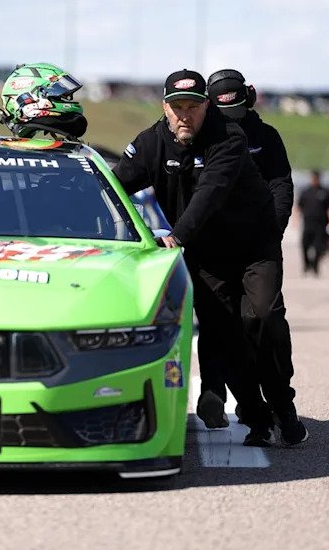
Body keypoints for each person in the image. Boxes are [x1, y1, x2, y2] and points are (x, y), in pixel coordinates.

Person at [113, 69, 307, 447]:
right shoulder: (151, 143)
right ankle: (256, 416)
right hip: (206, 256)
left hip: (254, 247)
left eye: (193, 107)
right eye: (177, 107)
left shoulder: (230, 139)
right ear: (165, 108)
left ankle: (284, 404)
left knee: (261, 319)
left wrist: (177, 236)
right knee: (226, 335)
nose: (185, 114)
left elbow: (210, 193)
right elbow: (117, 185)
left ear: (206, 107)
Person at [196, 69, 294, 429]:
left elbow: (282, 184)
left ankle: (281, 397)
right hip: (212, 248)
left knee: (264, 317)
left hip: (258, 245)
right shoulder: (199, 137)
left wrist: (274, 227)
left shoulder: (266, 137)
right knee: (215, 322)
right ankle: (217, 394)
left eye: (236, 110)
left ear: (248, 100)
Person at [297, 169, 329, 276]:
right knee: (304, 245)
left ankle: (315, 267)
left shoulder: (325, 192)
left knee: (318, 247)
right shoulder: (306, 192)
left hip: (320, 224)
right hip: (308, 223)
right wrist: (296, 219)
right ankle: (307, 264)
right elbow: (299, 206)